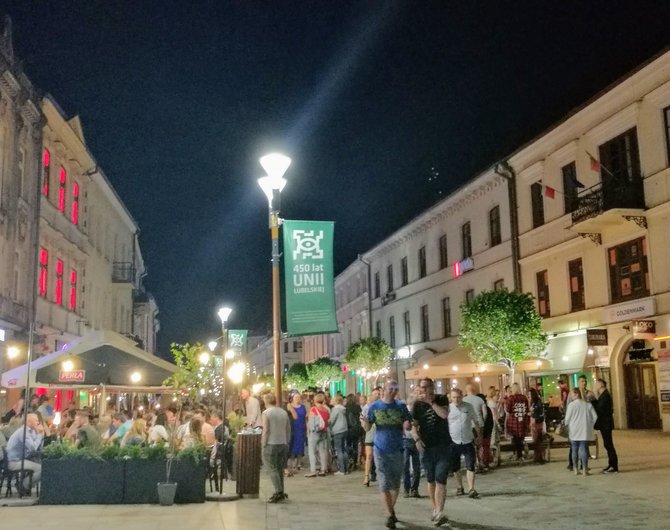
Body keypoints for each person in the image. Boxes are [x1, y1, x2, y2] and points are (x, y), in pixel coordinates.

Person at [362, 380, 412, 530]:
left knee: (395, 484)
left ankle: (390, 510)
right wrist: (365, 422)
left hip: (397, 448)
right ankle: (389, 515)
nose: (393, 391)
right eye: (390, 389)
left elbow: (408, 422)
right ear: (384, 390)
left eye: (395, 389)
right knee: (384, 483)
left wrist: (407, 425)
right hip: (380, 448)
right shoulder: (375, 407)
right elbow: (367, 427)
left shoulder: (401, 406)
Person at [412, 378, 451, 525]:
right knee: (431, 479)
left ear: (432, 387)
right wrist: (416, 439)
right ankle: (435, 509)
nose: (424, 390)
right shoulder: (417, 405)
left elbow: (444, 415)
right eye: (422, 387)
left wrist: (431, 403)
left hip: (443, 445)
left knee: (441, 478)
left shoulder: (441, 399)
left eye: (427, 387)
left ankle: (440, 512)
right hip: (427, 447)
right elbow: (414, 425)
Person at [448, 387, 481, 501]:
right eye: (454, 397)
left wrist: (479, 435)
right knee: (455, 466)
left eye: (458, 397)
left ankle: (471, 488)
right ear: (450, 397)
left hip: (467, 439)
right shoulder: (447, 409)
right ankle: (459, 486)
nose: (456, 399)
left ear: (462, 396)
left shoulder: (468, 407)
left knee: (470, 464)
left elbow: (476, 421)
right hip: (453, 441)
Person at [261, 393, 291, 503]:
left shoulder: (266, 413)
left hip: (271, 443)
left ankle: (278, 491)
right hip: (282, 443)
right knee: (279, 468)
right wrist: (287, 441)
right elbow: (288, 428)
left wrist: (263, 443)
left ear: (266, 401)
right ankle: (281, 491)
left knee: (272, 468)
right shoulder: (283, 412)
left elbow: (266, 430)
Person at [6, 413, 44, 493]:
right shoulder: (23, 432)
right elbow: (33, 448)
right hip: (14, 462)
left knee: (40, 464)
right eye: (36, 420)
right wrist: (40, 435)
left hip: (20, 459)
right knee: (43, 469)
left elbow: (38, 447)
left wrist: (38, 433)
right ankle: (23, 485)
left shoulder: (30, 431)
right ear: (29, 422)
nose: (38, 422)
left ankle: (23, 484)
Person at [564, 387, 597, 476]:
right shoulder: (587, 404)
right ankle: (585, 470)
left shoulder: (571, 405)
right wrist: (590, 424)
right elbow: (595, 417)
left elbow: (567, 419)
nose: (571, 396)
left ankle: (575, 469)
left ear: (576, 394)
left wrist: (567, 425)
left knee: (574, 449)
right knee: (583, 449)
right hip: (584, 430)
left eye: (572, 394)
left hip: (574, 430)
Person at [593, 379, 618, 474]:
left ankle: (614, 466)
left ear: (600, 385)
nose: (595, 386)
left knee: (609, 444)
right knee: (607, 444)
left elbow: (600, 409)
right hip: (604, 424)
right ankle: (611, 464)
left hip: (606, 424)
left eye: (596, 384)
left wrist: (593, 401)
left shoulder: (605, 396)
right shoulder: (603, 396)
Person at [305, 391, 330, 477]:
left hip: (314, 433)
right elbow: (328, 421)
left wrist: (308, 431)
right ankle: (323, 469)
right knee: (322, 451)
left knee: (312, 451)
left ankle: (313, 470)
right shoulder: (326, 410)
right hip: (323, 432)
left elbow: (310, 422)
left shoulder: (314, 409)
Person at [361, 387, 381, 486]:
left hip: (381, 435)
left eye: (379, 393)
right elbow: (364, 426)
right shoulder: (367, 408)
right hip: (370, 434)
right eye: (375, 394)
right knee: (369, 456)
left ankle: (380, 475)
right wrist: (365, 422)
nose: (377, 395)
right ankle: (366, 476)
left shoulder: (384, 406)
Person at [505, 383, 529, 462]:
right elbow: (527, 409)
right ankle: (521, 455)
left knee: (515, 439)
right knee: (521, 439)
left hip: (514, 421)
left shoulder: (511, 398)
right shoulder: (524, 398)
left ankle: (518, 455)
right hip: (522, 421)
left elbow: (508, 410)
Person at [287, 391, 307, 474]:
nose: (298, 399)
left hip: (301, 427)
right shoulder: (289, 406)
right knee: (293, 444)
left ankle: (299, 462)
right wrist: (291, 406)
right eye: (296, 397)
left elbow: (306, 417)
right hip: (293, 427)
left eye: (299, 397)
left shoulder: (303, 406)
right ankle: (292, 462)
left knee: (300, 444)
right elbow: (294, 416)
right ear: (292, 398)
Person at [329, 394, 349, 475]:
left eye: (333, 399)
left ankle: (342, 470)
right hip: (344, 429)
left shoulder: (335, 409)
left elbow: (332, 420)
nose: (331, 400)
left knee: (339, 450)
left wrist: (328, 424)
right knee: (343, 449)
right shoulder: (343, 409)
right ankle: (346, 468)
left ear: (336, 401)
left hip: (337, 430)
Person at [528, 388, 546, 464]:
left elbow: (538, 413)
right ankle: (537, 457)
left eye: (529, 394)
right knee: (537, 441)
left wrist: (531, 413)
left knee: (537, 441)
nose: (528, 396)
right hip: (535, 423)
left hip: (537, 423)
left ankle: (539, 458)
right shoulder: (534, 402)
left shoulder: (537, 403)